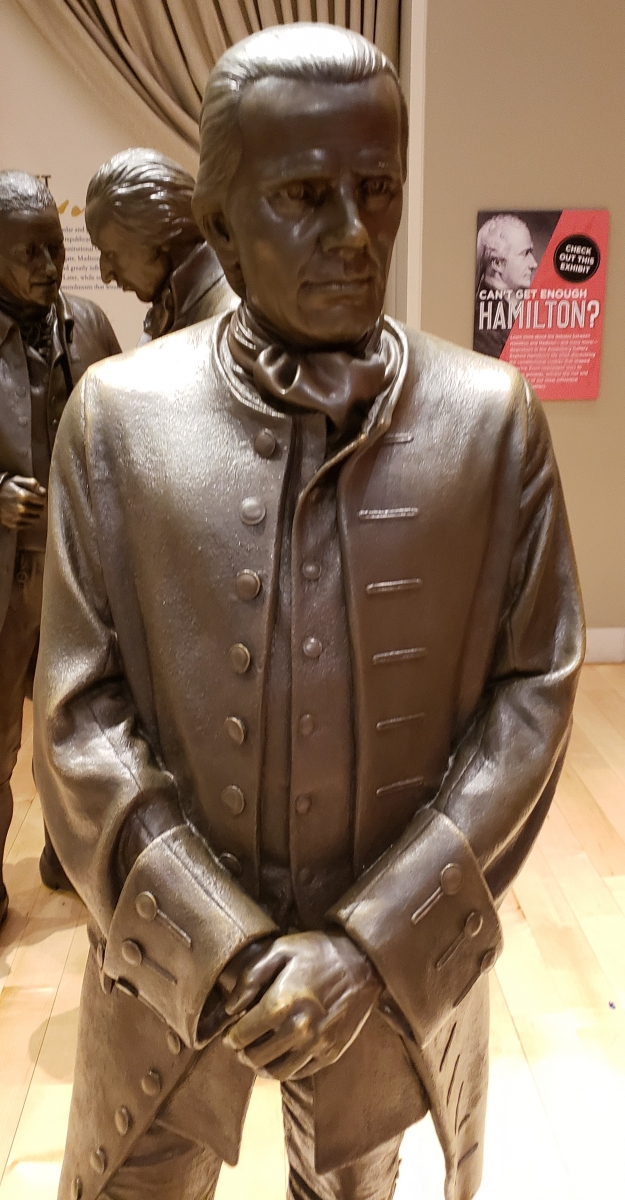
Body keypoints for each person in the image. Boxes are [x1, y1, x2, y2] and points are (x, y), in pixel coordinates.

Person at [34, 24, 583, 1200]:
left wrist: (370, 946)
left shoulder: (492, 423)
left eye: (376, 191)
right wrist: (218, 948)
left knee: (357, 1181)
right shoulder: (116, 422)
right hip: (166, 959)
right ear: (222, 225)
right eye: (302, 197)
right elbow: (80, 716)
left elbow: (531, 694)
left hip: (385, 974)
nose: (351, 235)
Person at [0, 171, 120, 920]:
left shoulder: (91, 324)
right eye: (30, 254)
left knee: (78, 726)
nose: (49, 268)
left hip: (77, 572)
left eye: (56, 248)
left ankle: (66, 853)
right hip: (4, 575)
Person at [85, 149, 236, 342]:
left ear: (160, 235)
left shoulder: (229, 316)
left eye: (110, 254)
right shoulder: (169, 305)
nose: (105, 274)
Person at [474, 213, 538, 357]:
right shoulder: (482, 323)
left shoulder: (509, 306)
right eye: (525, 253)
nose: (533, 264)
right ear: (497, 263)